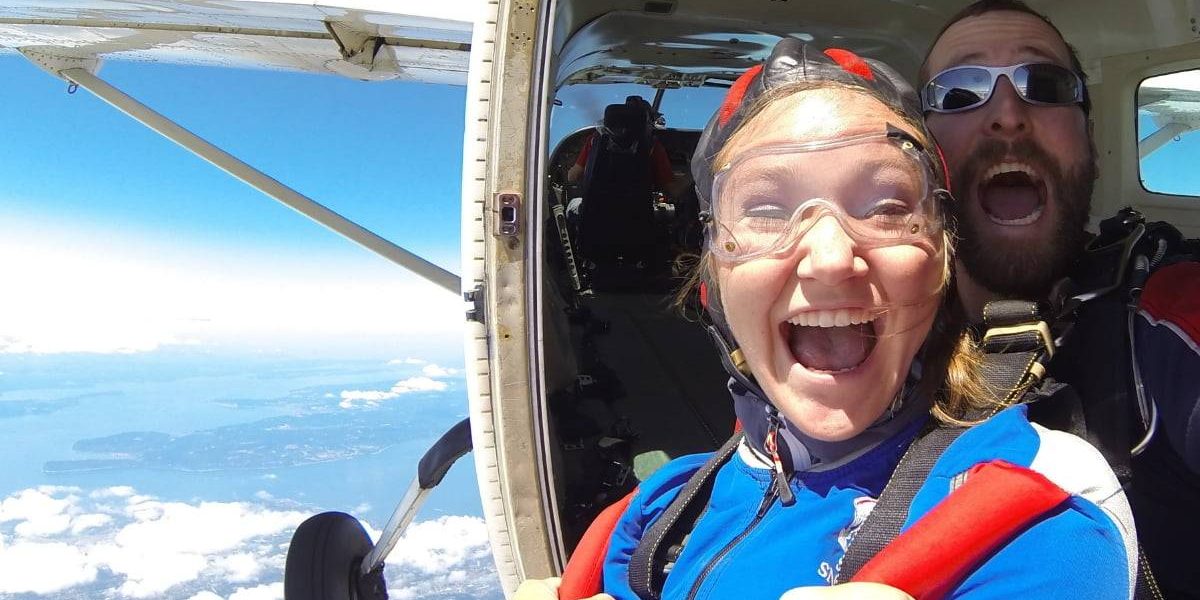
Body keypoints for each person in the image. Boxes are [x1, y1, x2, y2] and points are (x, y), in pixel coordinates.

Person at [516, 39, 1136, 600]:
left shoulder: (1031, 500)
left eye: (889, 207)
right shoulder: (663, 509)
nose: (832, 258)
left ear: (941, 263)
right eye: (763, 208)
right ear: (713, 283)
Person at [920, 2, 1200, 596]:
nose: (1007, 115)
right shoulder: (868, 335)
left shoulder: (1166, 320)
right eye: (959, 92)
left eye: (1044, 85)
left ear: (1088, 139)